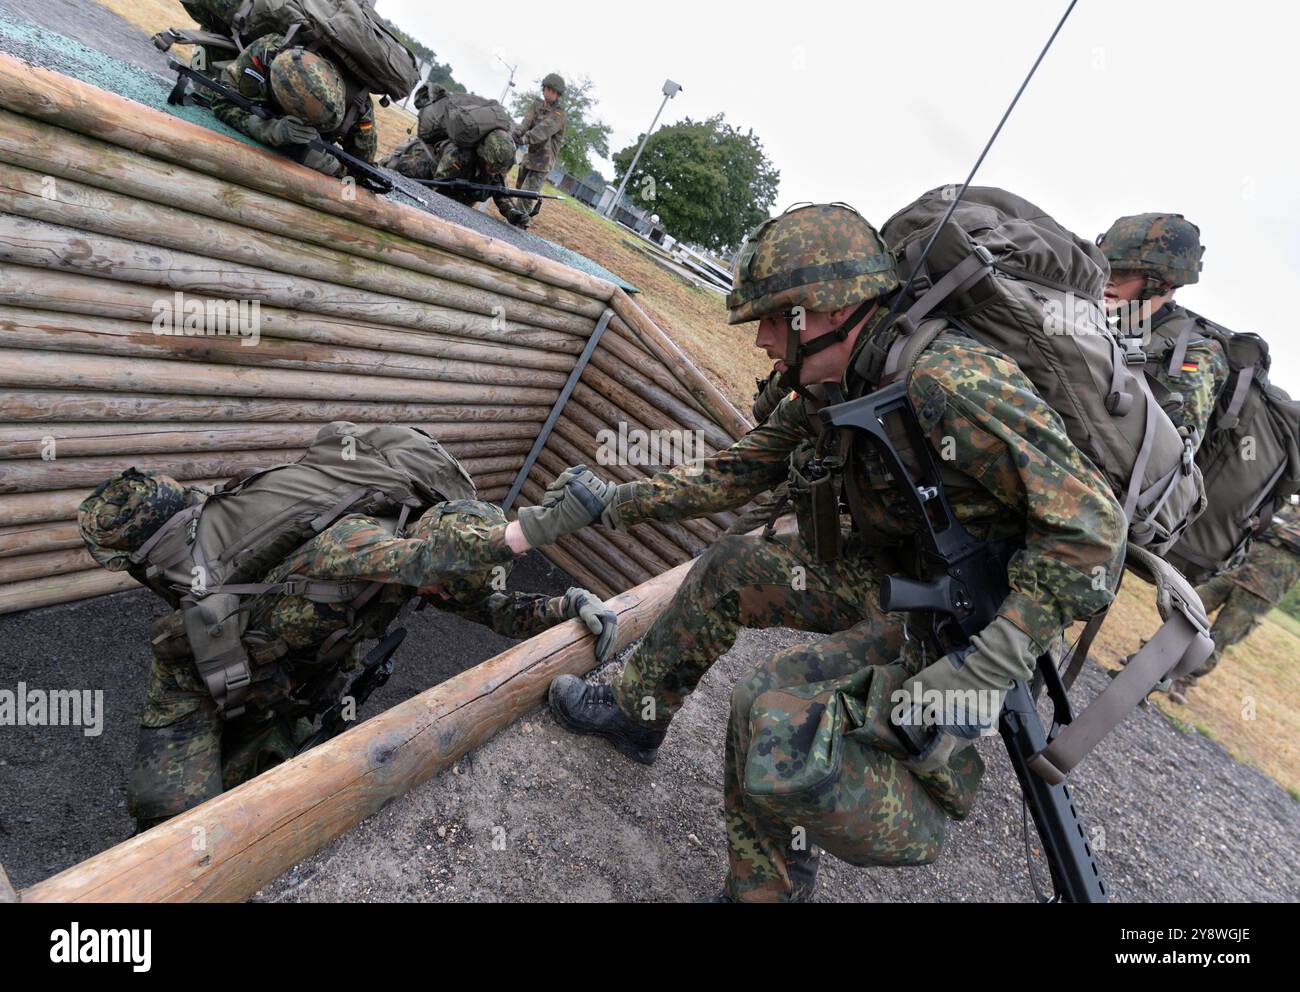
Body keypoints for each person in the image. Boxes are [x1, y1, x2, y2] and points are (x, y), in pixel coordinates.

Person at [515, 202, 1127, 902]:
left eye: (775, 319)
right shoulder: (829, 385)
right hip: (884, 578)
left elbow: (1093, 534)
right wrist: (611, 503)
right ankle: (637, 713)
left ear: (827, 310)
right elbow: (732, 475)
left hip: (952, 623)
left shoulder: (952, 380)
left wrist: (981, 671)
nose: (763, 342)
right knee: (730, 568)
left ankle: (765, 892)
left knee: (769, 707)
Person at [78, 468, 612, 832]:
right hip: (198, 673)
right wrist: (540, 526)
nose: (442, 597)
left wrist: (567, 606)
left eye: (449, 590)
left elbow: (492, 607)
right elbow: (426, 563)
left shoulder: (429, 572)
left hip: (280, 683)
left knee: (255, 797)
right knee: (172, 827)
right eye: (445, 586)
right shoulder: (357, 543)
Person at [1097, 213, 1228, 446]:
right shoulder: (1104, 328)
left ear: (1163, 282)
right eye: (1106, 267)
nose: (1109, 280)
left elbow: (1173, 453)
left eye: (1124, 272)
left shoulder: (1195, 353)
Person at [1168, 501, 1300, 703]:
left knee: (1220, 637)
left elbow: (1274, 529)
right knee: (1189, 609)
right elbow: (1253, 521)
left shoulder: (1281, 514)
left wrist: (1272, 527)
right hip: (1234, 568)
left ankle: (1183, 680)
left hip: (1262, 591)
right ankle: (1154, 655)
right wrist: (1276, 529)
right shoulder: (1286, 505)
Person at [209, 33, 377, 177]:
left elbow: (364, 173)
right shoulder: (265, 53)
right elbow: (221, 103)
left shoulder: (359, 109)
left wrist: (333, 167)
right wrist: (269, 129)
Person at [381, 84, 531, 227]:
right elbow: (437, 188)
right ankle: (383, 165)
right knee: (407, 168)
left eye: (497, 170)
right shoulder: (458, 154)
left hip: (459, 198)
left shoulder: (497, 164)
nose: (493, 172)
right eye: (491, 167)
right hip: (430, 172)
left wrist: (512, 213)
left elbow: (500, 192)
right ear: (483, 154)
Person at [512, 73, 567, 221]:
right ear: (544, 89)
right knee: (517, 191)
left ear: (558, 95)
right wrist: (516, 134)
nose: (551, 93)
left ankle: (519, 226)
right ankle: (515, 219)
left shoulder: (559, 114)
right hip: (529, 158)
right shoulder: (536, 105)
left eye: (555, 92)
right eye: (549, 89)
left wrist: (523, 140)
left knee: (526, 197)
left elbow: (542, 130)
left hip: (542, 163)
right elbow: (526, 121)